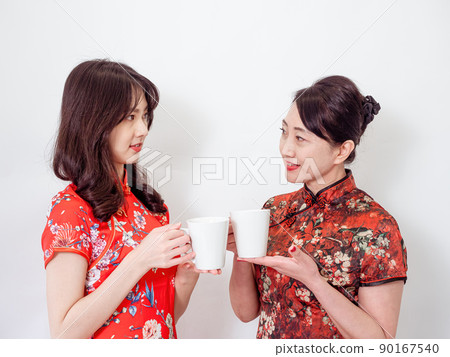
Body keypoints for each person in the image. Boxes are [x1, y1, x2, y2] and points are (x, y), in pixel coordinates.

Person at [41, 59, 217, 339]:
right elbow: (64, 334)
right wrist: (139, 260)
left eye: (145, 116)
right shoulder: (71, 210)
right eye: (129, 117)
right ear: (92, 121)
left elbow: (162, 317)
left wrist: (187, 277)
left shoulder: (150, 208)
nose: (144, 130)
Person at [228, 75, 407, 339]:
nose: (286, 149)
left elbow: (380, 344)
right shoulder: (273, 212)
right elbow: (246, 312)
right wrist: (241, 254)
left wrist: (314, 281)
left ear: (341, 151)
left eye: (300, 139)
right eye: (284, 132)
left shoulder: (377, 227)